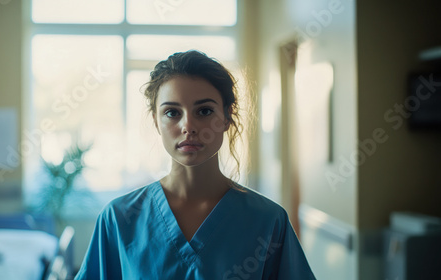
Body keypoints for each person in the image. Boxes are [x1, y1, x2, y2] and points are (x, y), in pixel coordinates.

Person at [74, 50, 316, 279]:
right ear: (156, 122)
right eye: (172, 112)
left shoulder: (268, 221)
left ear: (227, 118)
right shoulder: (119, 219)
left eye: (204, 111)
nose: (188, 127)